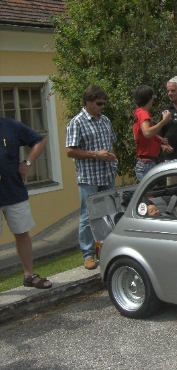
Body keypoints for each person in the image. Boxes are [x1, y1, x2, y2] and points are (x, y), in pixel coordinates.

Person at [65, 85, 117, 270]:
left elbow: (111, 144)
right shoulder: (77, 122)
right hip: (89, 177)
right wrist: (97, 155)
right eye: (99, 103)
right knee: (88, 216)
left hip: (107, 174)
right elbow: (70, 151)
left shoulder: (105, 121)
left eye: (104, 103)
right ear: (88, 102)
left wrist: (113, 159)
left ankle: (106, 249)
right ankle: (88, 254)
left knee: (108, 213)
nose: (102, 106)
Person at [0, 118, 51, 289]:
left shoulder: (10, 126)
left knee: (22, 233)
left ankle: (29, 275)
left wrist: (27, 163)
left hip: (13, 190)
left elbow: (39, 140)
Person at [132, 85, 173, 182]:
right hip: (147, 163)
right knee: (150, 196)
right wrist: (164, 121)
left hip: (144, 162)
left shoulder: (138, 113)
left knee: (149, 195)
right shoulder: (143, 113)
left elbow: (139, 135)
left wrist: (159, 140)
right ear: (149, 99)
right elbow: (147, 133)